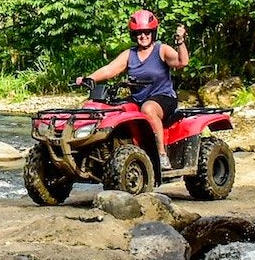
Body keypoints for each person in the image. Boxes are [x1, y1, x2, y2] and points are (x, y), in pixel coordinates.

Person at [79, 11, 190, 179]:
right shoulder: (129, 54)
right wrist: (89, 78)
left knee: (148, 108)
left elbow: (182, 62)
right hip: (138, 98)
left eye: (147, 32)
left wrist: (180, 41)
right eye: (139, 33)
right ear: (134, 35)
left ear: (153, 33)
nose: (143, 36)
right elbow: (110, 69)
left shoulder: (161, 49)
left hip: (163, 98)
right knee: (112, 110)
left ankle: (161, 156)